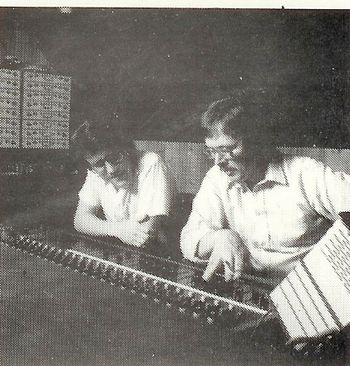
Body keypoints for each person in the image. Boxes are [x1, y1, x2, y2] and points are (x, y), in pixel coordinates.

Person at [180, 95, 350, 282]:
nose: (218, 161)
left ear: (257, 141)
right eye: (212, 151)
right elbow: (189, 239)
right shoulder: (216, 178)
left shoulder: (304, 173)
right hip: (249, 291)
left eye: (227, 149)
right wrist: (219, 237)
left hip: (309, 293)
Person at [72, 118, 173, 248]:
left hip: (160, 252)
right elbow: (80, 220)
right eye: (99, 164)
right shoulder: (95, 172)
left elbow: (147, 233)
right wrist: (118, 229)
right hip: (124, 250)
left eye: (114, 158)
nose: (111, 170)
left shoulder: (151, 162)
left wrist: (107, 228)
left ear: (126, 150)